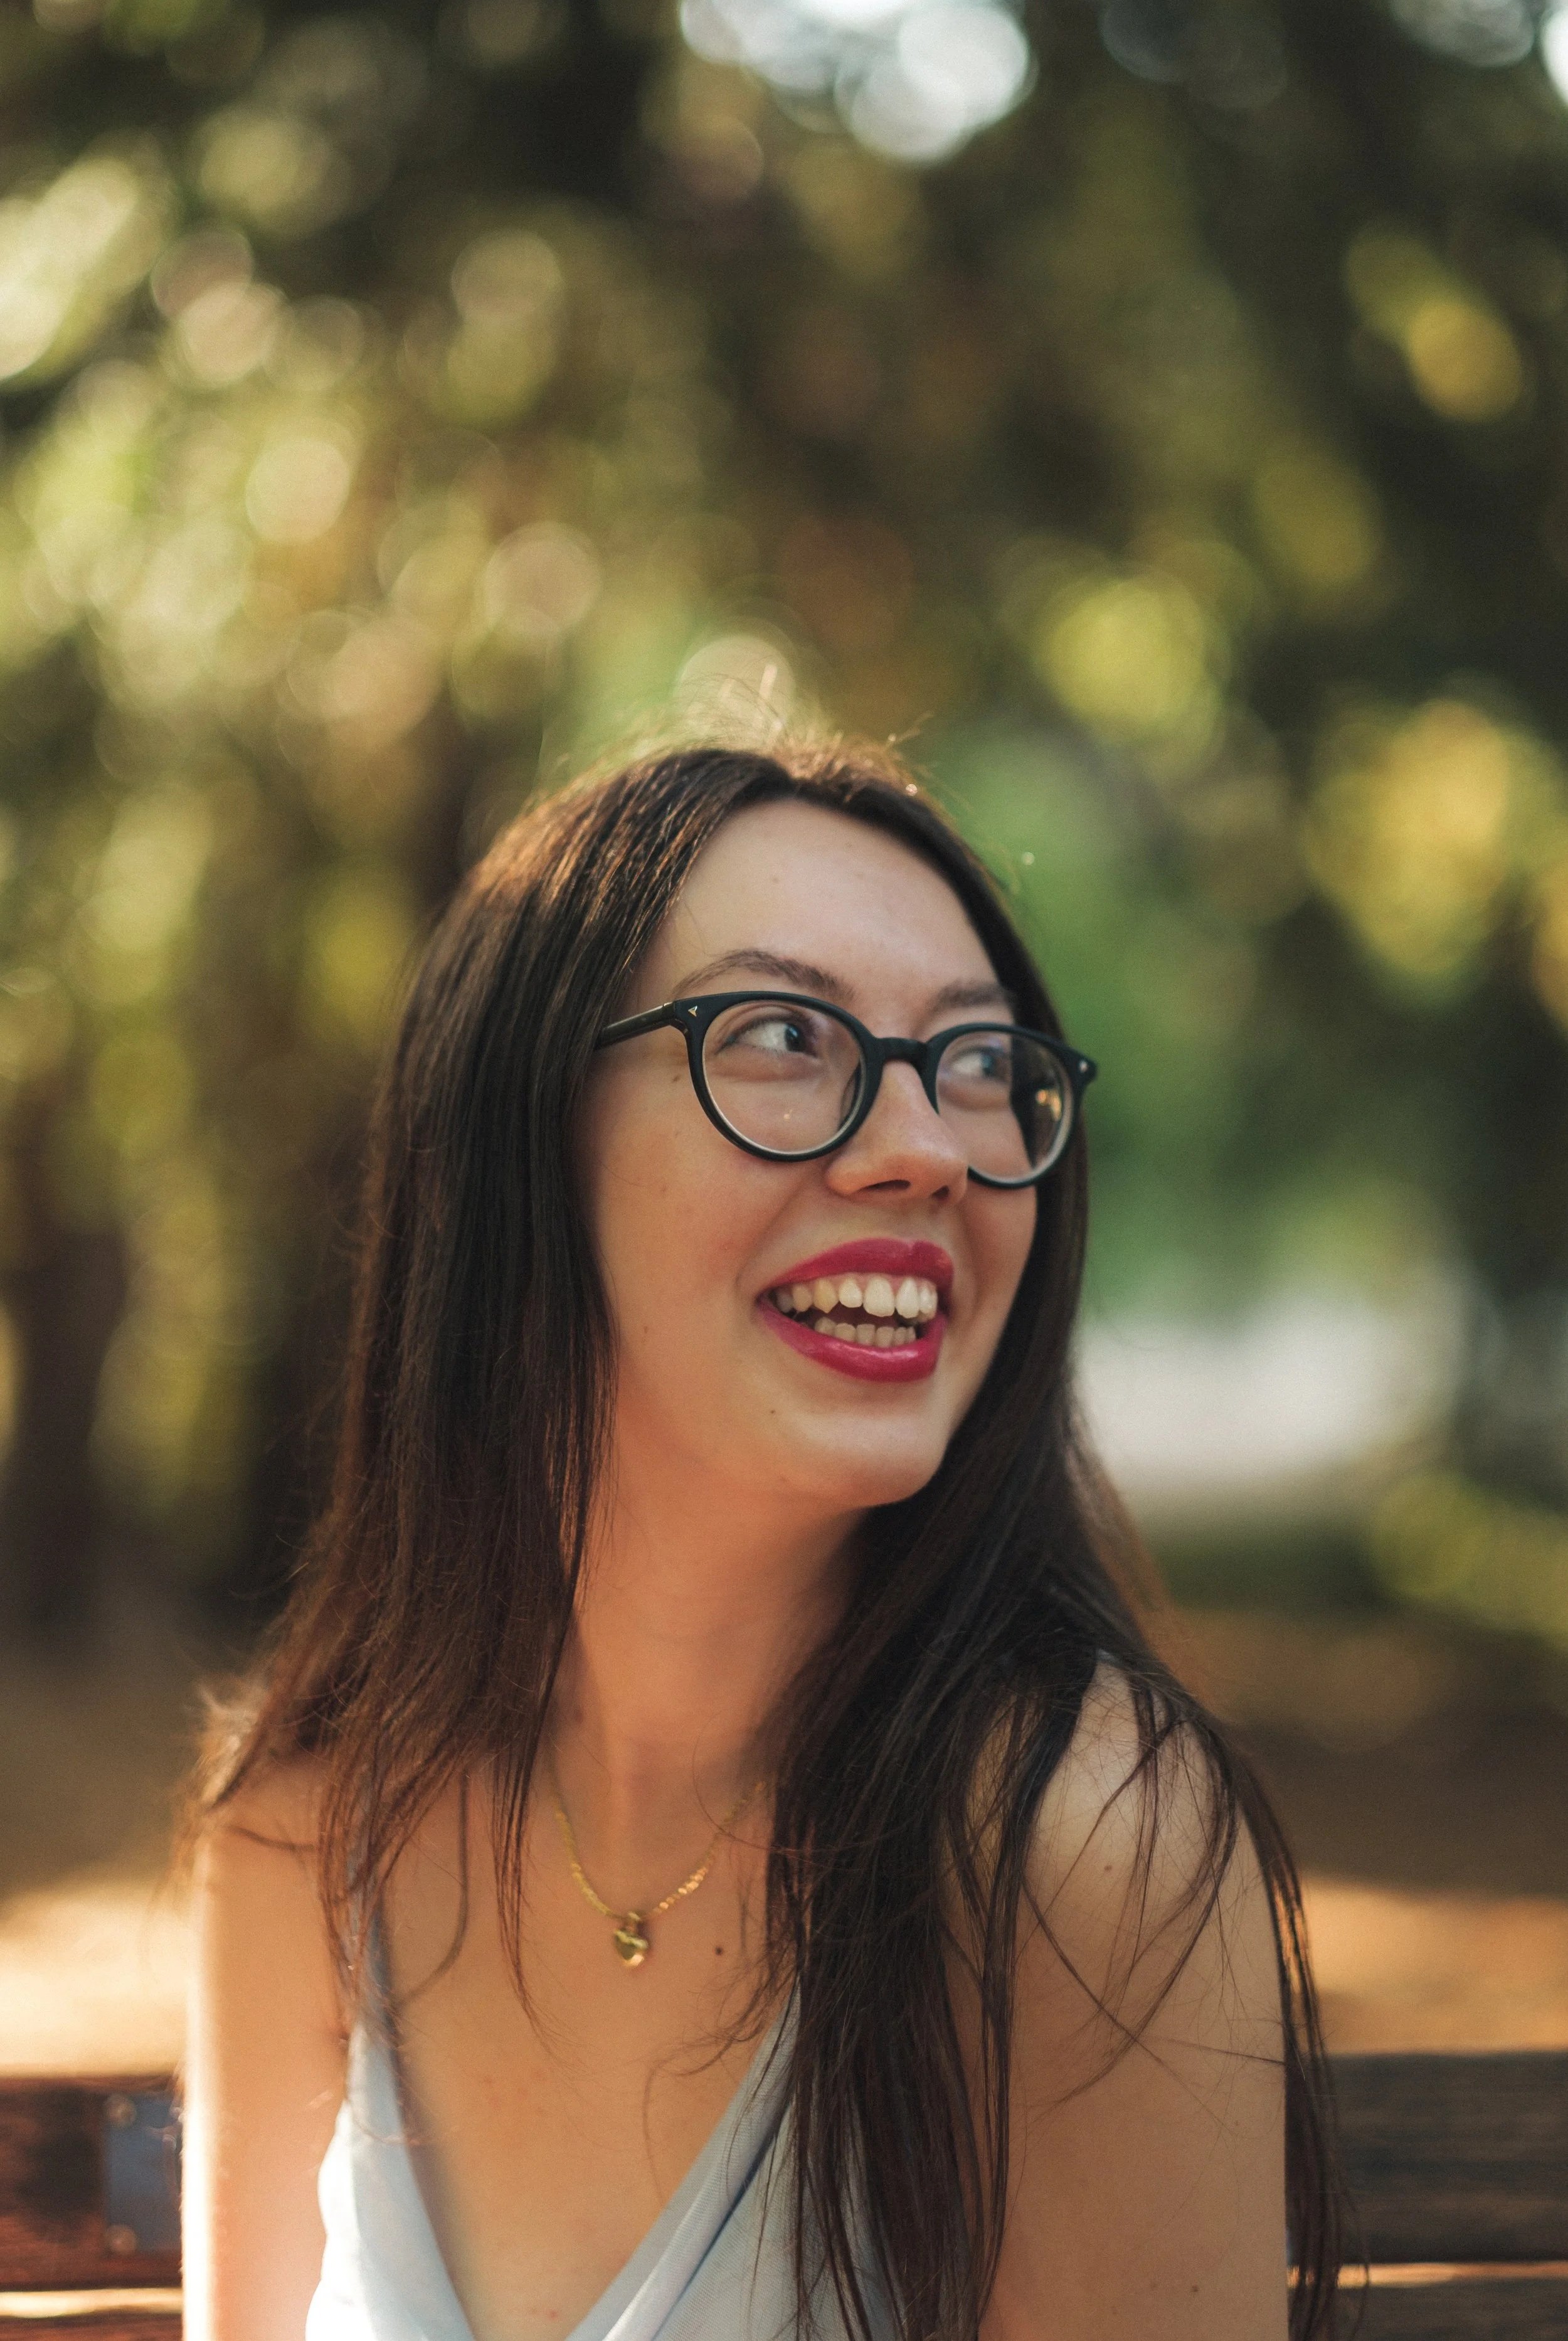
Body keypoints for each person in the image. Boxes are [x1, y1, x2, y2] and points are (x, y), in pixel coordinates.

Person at [183, 741, 1341, 2341]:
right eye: (783, 1037)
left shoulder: (1069, 1854)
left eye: (981, 1064)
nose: (927, 1147)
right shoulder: (300, 1844)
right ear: (514, 1141)